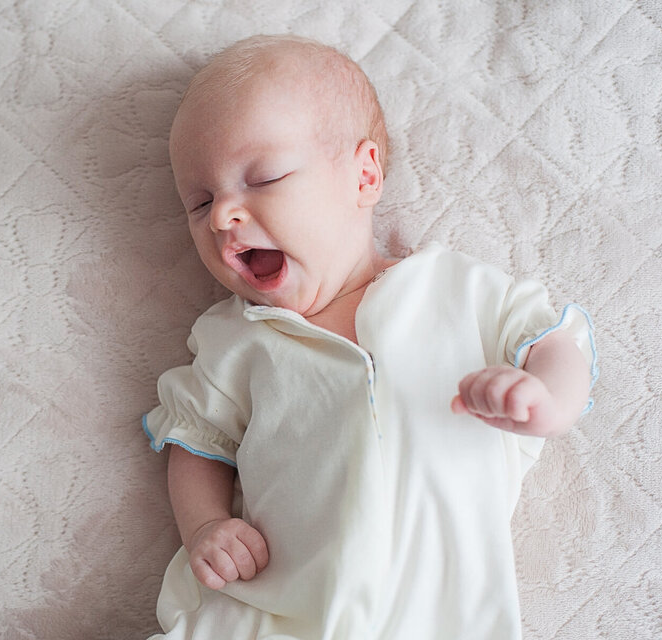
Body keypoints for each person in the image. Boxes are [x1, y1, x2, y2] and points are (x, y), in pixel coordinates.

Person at [142, 34, 597, 640]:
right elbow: (196, 442)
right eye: (199, 203)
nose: (224, 215)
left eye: (264, 177)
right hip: (267, 614)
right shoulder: (235, 336)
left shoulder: (454, 290)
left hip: (440, 617)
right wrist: (204, 527)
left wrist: (549, 400)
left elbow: (555, 340)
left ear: (364, 175)